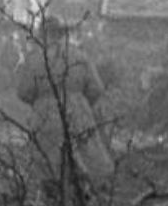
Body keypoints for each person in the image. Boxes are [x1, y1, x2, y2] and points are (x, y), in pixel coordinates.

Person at [15, 22, 112, 176]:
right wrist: (81, 101)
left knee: (46, 160)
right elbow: (96, 88)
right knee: (86, 155)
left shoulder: (34, 58)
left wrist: (39, 101)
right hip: (78, 110)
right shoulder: (79, 55)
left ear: (42, 34)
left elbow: (24, 91)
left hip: (45, 113)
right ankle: (85, 190)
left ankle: (52, 192)